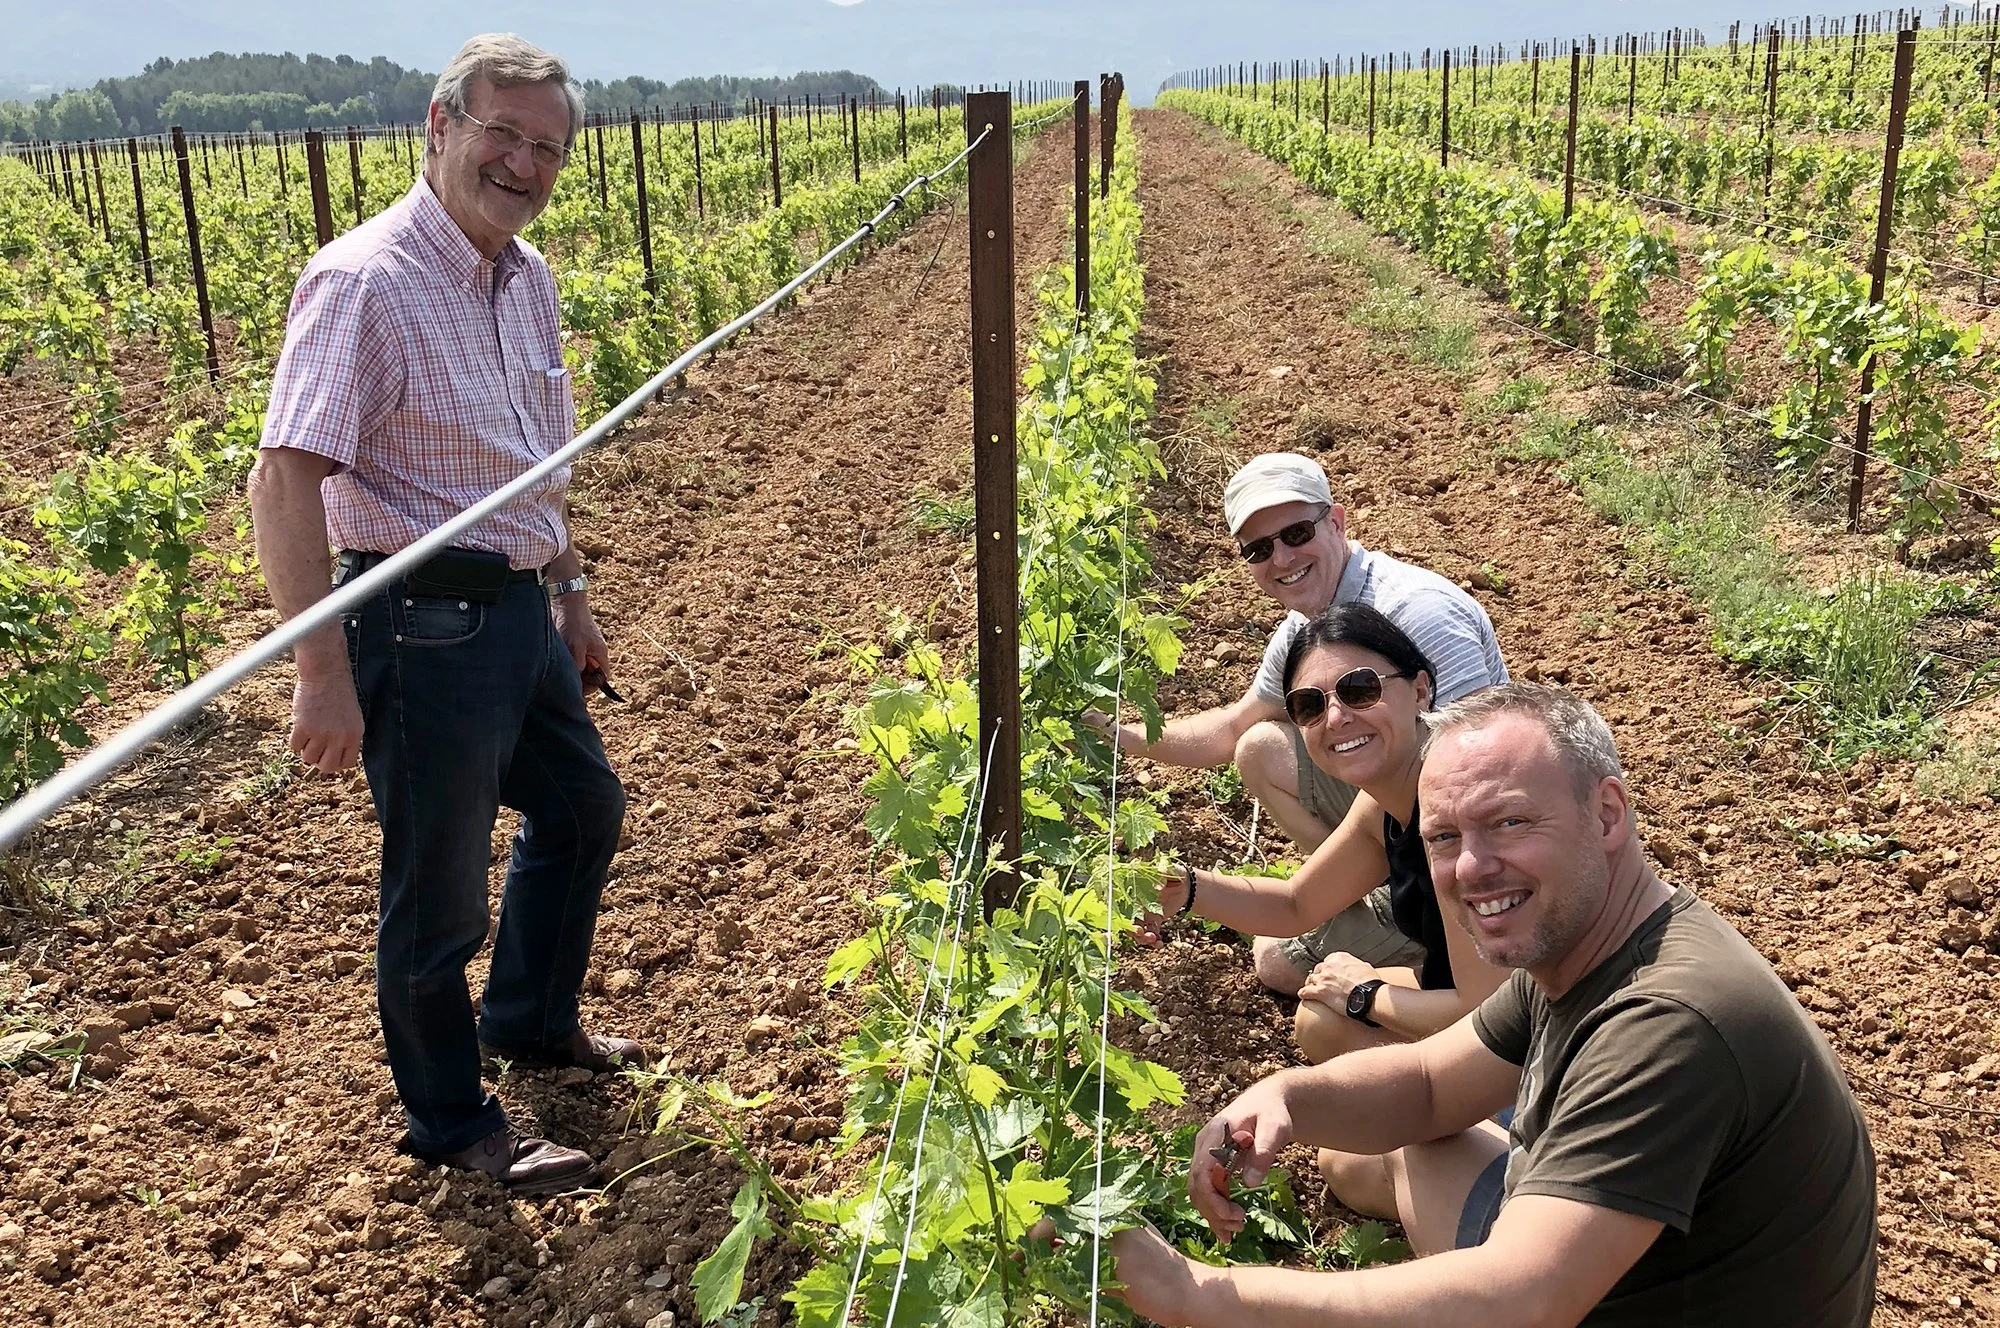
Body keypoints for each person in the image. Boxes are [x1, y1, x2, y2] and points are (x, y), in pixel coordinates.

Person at [1111, 684, 1877, 1327]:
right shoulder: (1591, 948)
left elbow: (1521, 1301)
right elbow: (1429, 1088)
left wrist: (1197, 1294)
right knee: (1419, 1145)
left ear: (1608, 815)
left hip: (1575, 1301)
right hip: (1635, 1286)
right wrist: (1285, 1097)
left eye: (1509, 822)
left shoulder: (1670, 1024)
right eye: (1444, 837)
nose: (1472, 867)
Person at [249, 33, 634, 1195]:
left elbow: (530, 460)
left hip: (515, 609)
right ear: (439, 125)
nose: (522, 163)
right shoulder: (363, 282)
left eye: (547, 147)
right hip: (419, 629)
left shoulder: (528, 275)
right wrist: (320, 671)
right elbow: (283, 479)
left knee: (583, 809)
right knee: (438, 894)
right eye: (501, 133)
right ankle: (451, 1116)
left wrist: (567, 586)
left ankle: (527, 1019)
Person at [1087, 451, 1506, 996]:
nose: (1281, 557)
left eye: (1296, 533)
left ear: (1337, 522)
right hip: (1410, 817)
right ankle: (1370, 885)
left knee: (1286, 969)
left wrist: (1368, 997)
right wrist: (1119, 737)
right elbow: (1235, 729)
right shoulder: (1309, 629)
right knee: (1260, 749)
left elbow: (1479, 773)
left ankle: (1423, 920)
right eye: (1259, 549)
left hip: (1475, 839)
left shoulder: (1418, 613)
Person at [1153, 604, 1506, 1062]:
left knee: (1335, 1014)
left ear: (1420, 690)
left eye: (1360, 689)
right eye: (1310, 705)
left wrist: (1364, 993)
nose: (1336, 717)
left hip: (1542, 1022)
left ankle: (1475, 1106)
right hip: (1489, 998)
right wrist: (1186, 888)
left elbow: (1488, 1013)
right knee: (1321, 1017)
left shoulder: (1455, 815)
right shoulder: (1386, 802)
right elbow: (1296, 904)